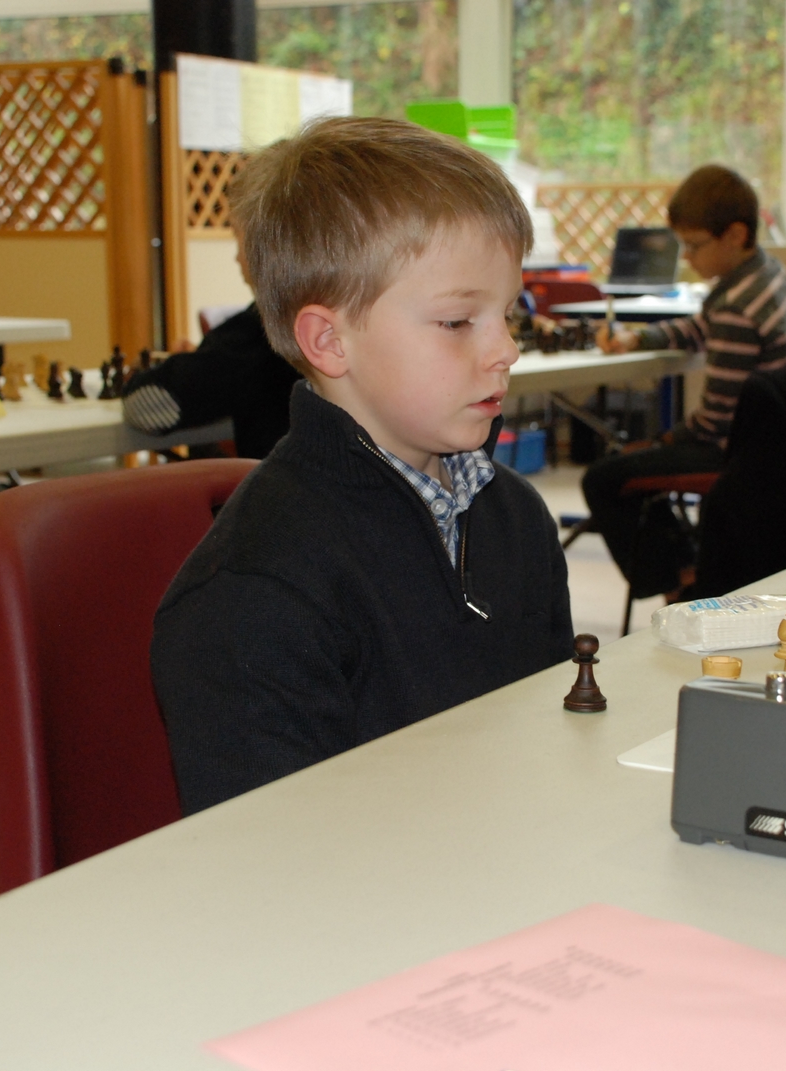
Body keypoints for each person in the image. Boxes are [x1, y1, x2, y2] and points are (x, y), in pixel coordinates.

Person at [150, 117, 575, 814]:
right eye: (457, 322)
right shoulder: (256, 596)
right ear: (328, 341)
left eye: (509, 314)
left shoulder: (514, 517)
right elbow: (272, 855)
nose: (506, 348)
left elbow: (552, 747)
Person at [582, 165, 786, 602]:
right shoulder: (766, 276)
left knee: (604, 477)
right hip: (776, 444)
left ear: (735, 234)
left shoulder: (738, 307)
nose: (687, 257)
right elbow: (700, 327)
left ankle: (680, 583)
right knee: (637, 459)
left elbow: (715, 423)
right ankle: (688, 563)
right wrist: (639, 337)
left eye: (694, 245)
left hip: (739, 453)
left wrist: (660, 440)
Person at [120, 228, 300, 458]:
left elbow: (144, 404)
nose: (237, 258)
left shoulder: (254, 335)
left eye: (238, 237)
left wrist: (141, 376)